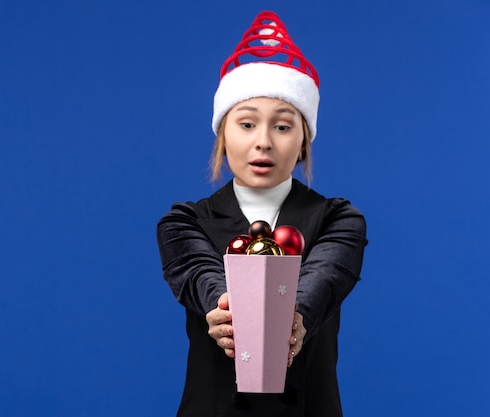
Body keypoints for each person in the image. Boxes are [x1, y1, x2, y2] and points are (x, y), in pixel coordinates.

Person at [157, 10, 368, 417]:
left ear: (305, 140)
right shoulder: (184, 222)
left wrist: (295, 320)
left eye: (284, 126)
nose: (264, 142)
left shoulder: (339, 219)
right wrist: (225, 313)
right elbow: (200, 274)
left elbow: (322, 280)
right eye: (247, 123)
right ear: (223, 135)